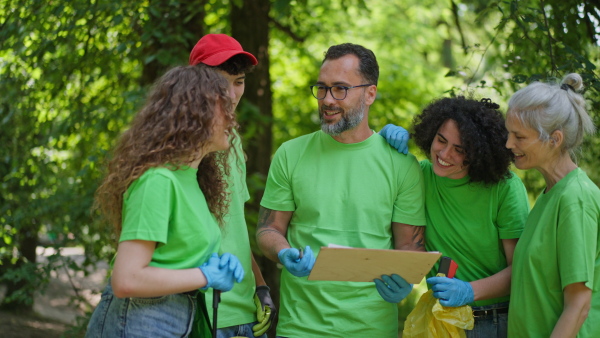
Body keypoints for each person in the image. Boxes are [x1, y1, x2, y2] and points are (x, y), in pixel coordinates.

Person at [255, 43, 426, 337]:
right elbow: (268, 230)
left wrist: (406, 280)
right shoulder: (290, 154)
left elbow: (410, 247)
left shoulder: (402, 165)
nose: (327, 99)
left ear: (370, 93)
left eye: (340, 89)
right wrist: (284, 253)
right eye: (321, 88)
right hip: (299, 328)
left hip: (372, 329)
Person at [86, 65, 244, 338]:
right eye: (223, 109)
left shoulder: (191, 178)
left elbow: (174, 257)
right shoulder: (158, 181)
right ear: (196, 114)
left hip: (173, 317)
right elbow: (127, 279)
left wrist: (215, 263)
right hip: (139, 321)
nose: (232, 118)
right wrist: (205, 276)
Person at [381, 96, 530, 337]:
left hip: (493, 320)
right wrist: (381, 145)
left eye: (459, 150)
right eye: (441, 140)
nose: (444, 153)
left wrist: (470, 291)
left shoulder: (505, 188)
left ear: (479, 154)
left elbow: (522, 270)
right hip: (439, 318)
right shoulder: (417, 176)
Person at [188, 34, 276, 338]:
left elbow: (233, 226)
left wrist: (261, 285)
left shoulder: (232, 140)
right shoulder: (177, 147)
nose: (232, 92)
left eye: (238, 81)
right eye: (220, 82)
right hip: (204, 311)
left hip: (248, 312)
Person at [505, 73, 599, 337]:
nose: (508, 144)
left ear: (554, 139)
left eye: (519, 137)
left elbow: (579, 305)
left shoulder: (575, 199)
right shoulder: (551, 195)